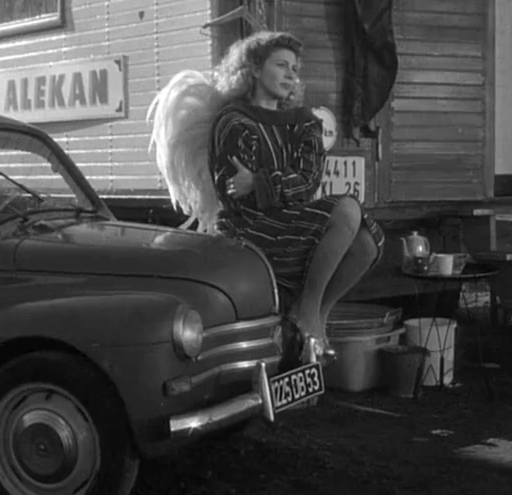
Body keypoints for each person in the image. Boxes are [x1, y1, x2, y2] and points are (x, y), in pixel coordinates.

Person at [148, 31, 385, 366]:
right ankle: (308, 314)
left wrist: (259, 181)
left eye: (295, 69)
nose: (291, 75)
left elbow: (308, 182)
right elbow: (236, 195)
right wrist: (273, 185)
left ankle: (315, 312)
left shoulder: (304, 123)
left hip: (291, 221)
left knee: (366, 243)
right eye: (281, 65)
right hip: (249, 227)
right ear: (255, 69)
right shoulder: (232, 121)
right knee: (346, 209)